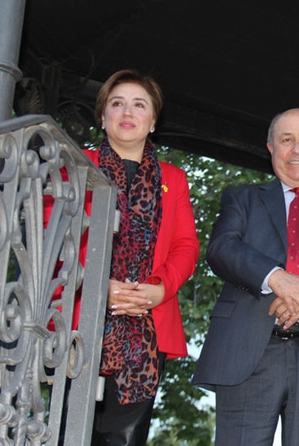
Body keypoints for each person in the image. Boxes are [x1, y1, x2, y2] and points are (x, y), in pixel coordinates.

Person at [191, 108, 299, 446]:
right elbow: (222, 249)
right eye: (286, 140)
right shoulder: (242, 198)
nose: (297, 150)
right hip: (246, 354)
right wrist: (276, 278)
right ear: (270, 148)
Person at [88, 69, 199, 445]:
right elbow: (53, 234)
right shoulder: (73, 165)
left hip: (147, 324)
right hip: (80, 318)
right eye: (116, 103)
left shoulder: (174, 178)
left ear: (153, 122)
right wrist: (96, 285)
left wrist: (157, 290)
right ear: (103, 116)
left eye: (139, 104)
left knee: (125, 439)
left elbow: (186, 246)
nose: (127, 111)